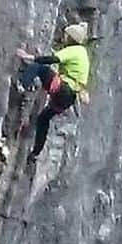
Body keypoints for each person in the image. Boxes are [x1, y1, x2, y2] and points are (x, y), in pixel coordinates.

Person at [16, 22, 91, 162]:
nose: (64, 37)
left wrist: (28, 56)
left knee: (39, 67)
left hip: (62, 89)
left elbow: (52, 59)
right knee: (43, 119)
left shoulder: (75, 49)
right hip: (68, 99)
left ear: (71, 37)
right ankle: (35, 153)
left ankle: (22, 86)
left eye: (66, 35)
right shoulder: (83, 53)